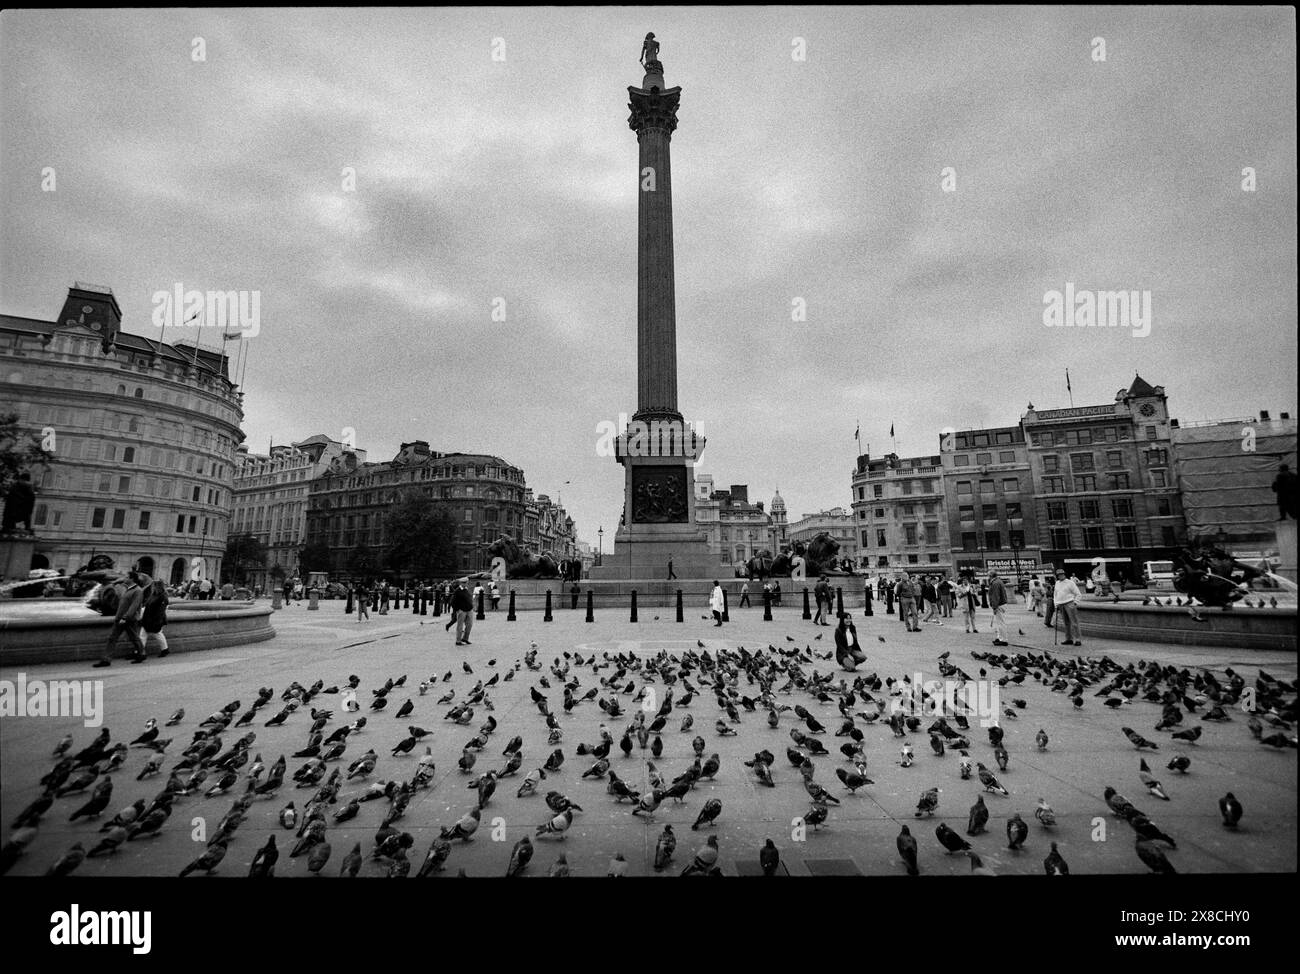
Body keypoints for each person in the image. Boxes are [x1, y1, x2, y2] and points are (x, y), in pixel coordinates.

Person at [94, 573, 147, 667]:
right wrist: (115, 583)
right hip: (119, 618)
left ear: (132, 579)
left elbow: (134, 606)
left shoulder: (138, 591)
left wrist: (125, 617)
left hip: (129, 619)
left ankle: (141, 653)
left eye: (127, 577)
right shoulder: (128, 588)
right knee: (112, 638)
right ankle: (106, 660)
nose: (125, 578)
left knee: (134, 638)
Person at [141, 576, 170, 659]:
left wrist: (158, 621)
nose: (153, 587)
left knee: (157, 634)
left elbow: (161, 611)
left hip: (154, 620)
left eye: (154, 586)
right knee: (145, 635)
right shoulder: (154, 595)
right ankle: (140, 651)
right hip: (148, 619)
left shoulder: (162, 597)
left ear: (158, 587)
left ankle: (165, 649)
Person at [1053, 568, 1083, 645]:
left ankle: (1078, 639)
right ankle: (1069, 638)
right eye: (1059, 575)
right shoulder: (1057, 583)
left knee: (1074, 622)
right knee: (1066, 623)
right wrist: (1056, 604)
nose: (1061, 576)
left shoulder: (1070, 583)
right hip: (1061, 604)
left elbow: (1078, 594)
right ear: (1057, 576)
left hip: (1069, 603)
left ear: (1064, 574)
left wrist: (1075, 602)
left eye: (1062, 574)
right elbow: (1055, 595)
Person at [987, 569, 1010, 646]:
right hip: (1001, 604)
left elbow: (995, 596)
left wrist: (994, 607)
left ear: (990, 576)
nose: (988, 577)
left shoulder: (995, 583)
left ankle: (1003, 639)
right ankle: (1000, 637)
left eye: (988, 576)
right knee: (999, 622)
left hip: (999, 604)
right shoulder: (998, 581)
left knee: (1000, 622)